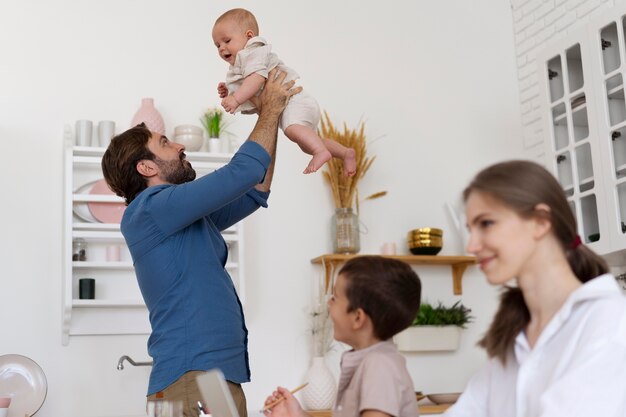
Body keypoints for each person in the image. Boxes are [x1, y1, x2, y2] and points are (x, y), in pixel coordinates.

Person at [101, 69, 301, 417]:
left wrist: (275, 115)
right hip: (195, 378)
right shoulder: (151, 209)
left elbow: (255, 190)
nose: (179, 145)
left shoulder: (180, 216)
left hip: (200, 377)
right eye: (165, 143)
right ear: (147, 167)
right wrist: (268, 112)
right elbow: (242, 173)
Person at [444, 160, 626, 417]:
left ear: (541, 221)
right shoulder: (513, 341)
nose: (471, 246)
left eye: (485, 224)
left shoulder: (610, 322)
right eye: (470, 230)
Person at [264, 256, 422, 417]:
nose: (329, 304)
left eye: (334, 298)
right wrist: (298, 415)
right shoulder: (374, 362)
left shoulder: (379, 366)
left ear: (357, 318)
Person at [212, 8, 357, 176]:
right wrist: (229, 90)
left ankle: (321, 152)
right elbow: (249, 85)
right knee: (306, 143)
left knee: (292, 130)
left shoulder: (253, 51)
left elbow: (256, 79)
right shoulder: (242, 64)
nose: (222, 48)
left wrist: (236, 98)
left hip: (295, 100)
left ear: (249, 36)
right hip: (295, 104)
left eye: (227, 41)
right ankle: (345, 153)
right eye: (217, 45)